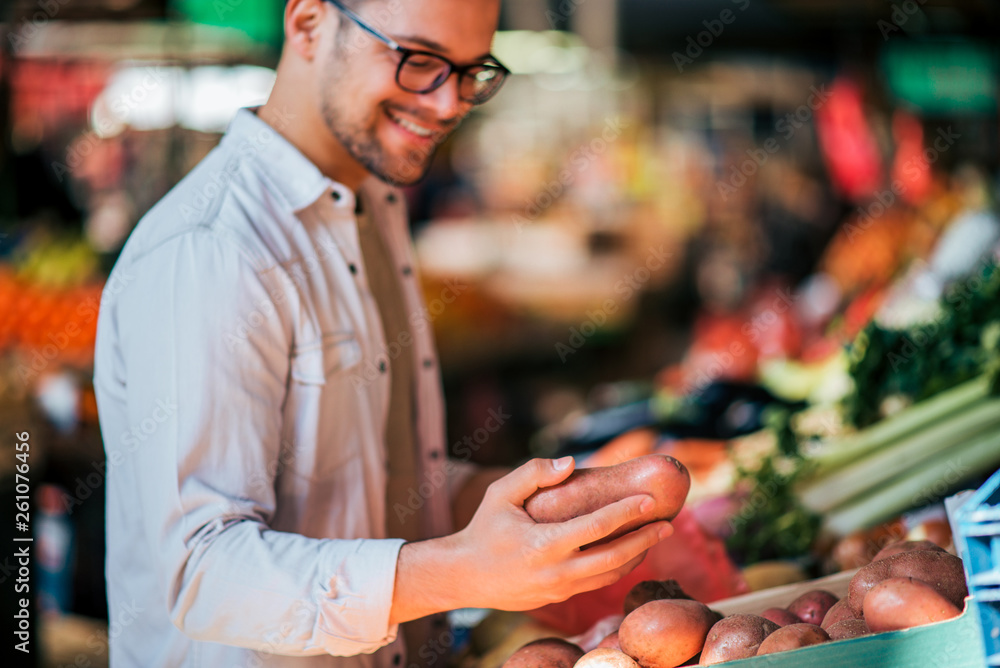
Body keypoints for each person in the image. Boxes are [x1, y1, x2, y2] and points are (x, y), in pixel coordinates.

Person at [93, 0, 673, 665]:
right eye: (420, 60)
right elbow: (200, 574)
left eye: (470, 70)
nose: (450, 102)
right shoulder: (211, 250)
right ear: (309, 25)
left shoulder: (376, 201)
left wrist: (572, 516)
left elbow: (382, 480)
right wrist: (465, 570)